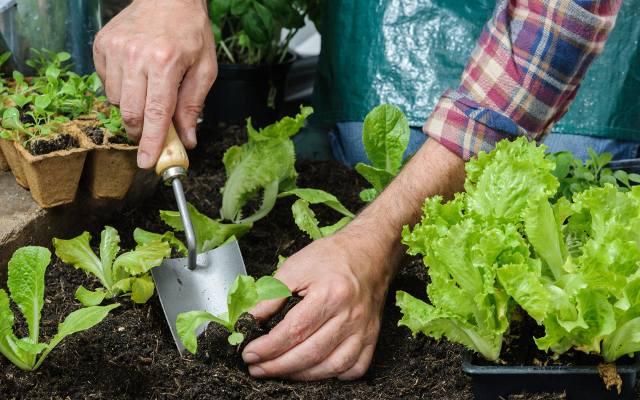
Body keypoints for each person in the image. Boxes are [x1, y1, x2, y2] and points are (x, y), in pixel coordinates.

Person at [94, 0, 632, 381]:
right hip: (376, 64)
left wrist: (374, 244)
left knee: (571, 160)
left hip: (580, 91)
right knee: (361, 143)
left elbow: (556, 23)